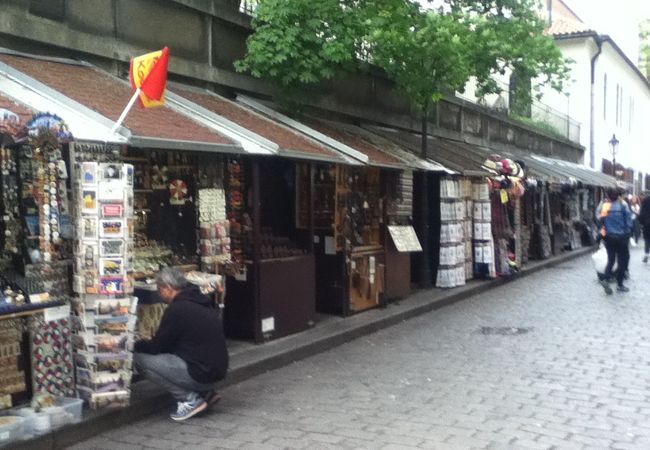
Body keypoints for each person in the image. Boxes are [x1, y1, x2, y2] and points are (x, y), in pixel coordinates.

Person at [134, 267, 229, 421]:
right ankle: (206, 394)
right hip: (216, 371)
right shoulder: (199, 301)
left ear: (168, 288)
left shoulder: (178, 309)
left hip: (200, 373)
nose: (159, 293)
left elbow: (157, 347)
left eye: (160, 289)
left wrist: (137, 344)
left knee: (140, 360)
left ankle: (189, 399)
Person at [597, 188, 633, 294]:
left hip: (609, 237)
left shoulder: (605, 206)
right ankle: (620, 284)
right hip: (621, 237)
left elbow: (601, 220)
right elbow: (629, 221)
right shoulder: (623, 205)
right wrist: (627, 232)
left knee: (611, 260)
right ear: (618, 196)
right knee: (623, 261)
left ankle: (606, 278)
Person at [640, 192, 650, 263]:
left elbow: (641, 214)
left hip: (647, 225)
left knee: (647, 240)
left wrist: (642, 223)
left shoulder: (645, 201)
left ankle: (646, 255)